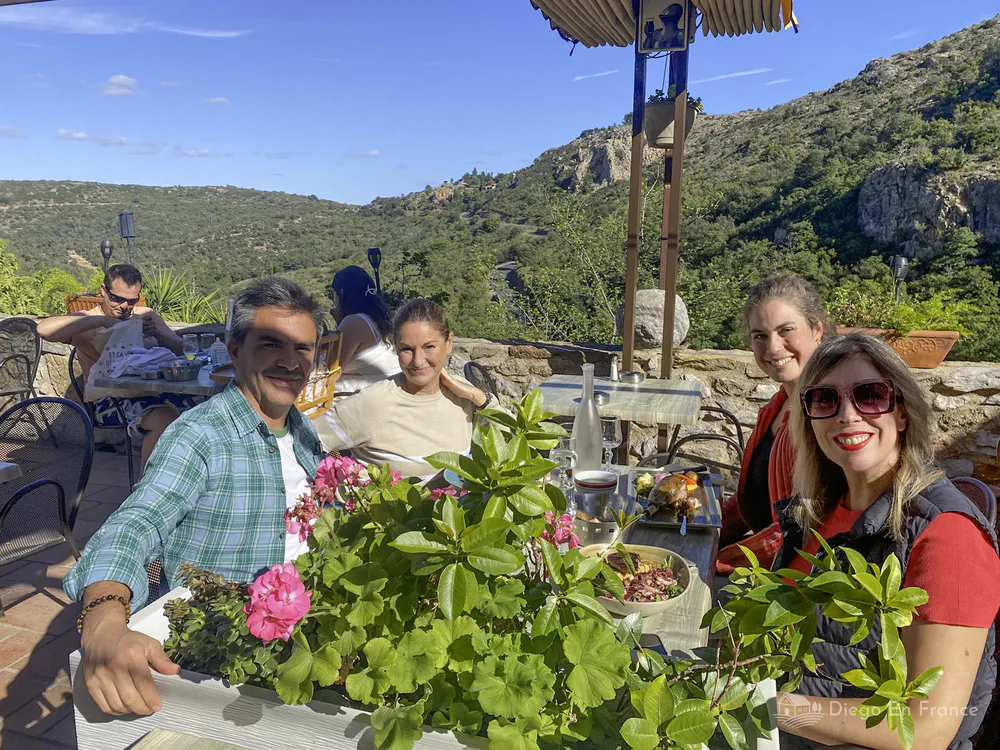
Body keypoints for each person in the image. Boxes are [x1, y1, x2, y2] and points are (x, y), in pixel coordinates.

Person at [63, 277, 328, 717]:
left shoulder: (302, 430)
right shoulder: (200, 436)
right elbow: (137, 521)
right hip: (223, 653)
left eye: (302, 348)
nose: (289, 361)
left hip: (301, 635)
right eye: (270, 345)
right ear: (235, 349)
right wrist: (105, 621)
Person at [775, 333, 1000, 750]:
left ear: (902, 413)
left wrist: (772, 709)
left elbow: (929, 728)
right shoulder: (820, 511)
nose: (847, 414)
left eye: (871, 395)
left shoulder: (948, 536)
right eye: (825, 400)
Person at [717, 274, 828, 574]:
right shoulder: (777, 407)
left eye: (786, 330)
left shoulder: (823, 416)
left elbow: (795, 530)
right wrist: (709, 526)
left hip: (789, 583)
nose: (773, 348)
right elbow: (752, 500)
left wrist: (715, 560)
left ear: (817, 329)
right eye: (760, 336)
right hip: (761, 566)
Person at [315, 298, 495, 482]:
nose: (418, 361)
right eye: (407, 349)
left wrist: (480, 398)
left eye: (429, 347)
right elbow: (304, 441)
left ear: (448, 342)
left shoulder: (463, 395)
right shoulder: (375, 402)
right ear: (395, 345)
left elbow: (507, 449)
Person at [36, 264, 188, 472]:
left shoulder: (144, 316)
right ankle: (147, 491)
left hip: (156, 390)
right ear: (103, 291)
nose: (125, 306)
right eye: (117, 299)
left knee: (206, 409)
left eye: (132, 300)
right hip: (111, 400)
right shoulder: (89, 320)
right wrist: (102, 321)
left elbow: (183, 350)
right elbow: (43, 329)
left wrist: (159, 336)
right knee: (166, 418)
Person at [328, 265, 400, 395]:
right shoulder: (377, 319)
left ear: (342, 294)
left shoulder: (353, 323)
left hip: (370, 396)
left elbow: (331, 371)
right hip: (390, 388)